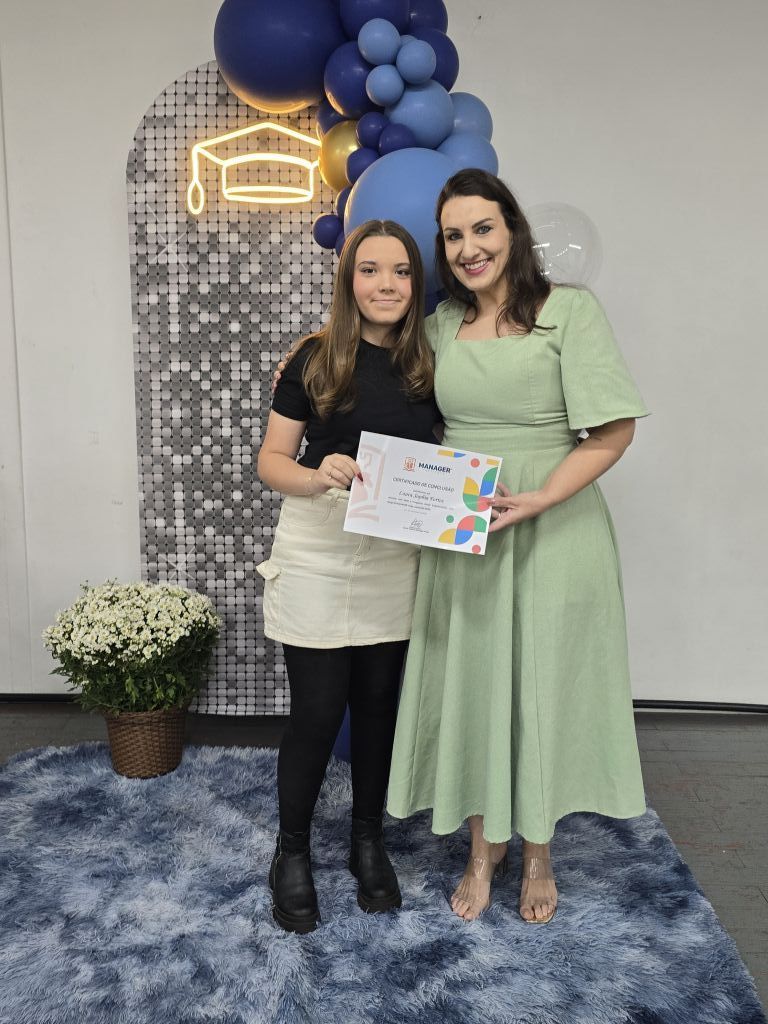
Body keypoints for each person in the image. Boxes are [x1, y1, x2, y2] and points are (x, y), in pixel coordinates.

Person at [385, 169, 649, 924]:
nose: (468, 248)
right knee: (476, 683)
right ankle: (483, 847)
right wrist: (307, 355)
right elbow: (372, 369)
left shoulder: (570, 310)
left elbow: (614, 430)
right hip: (466, 526)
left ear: (513, 231)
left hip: (555, 524)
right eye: (453, 235)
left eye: (483, 229)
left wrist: (539, 497)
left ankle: (537, 851)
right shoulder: (439, 325)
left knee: (541, 683)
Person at [256, 219, 440, 934]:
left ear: (416, 282)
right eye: (370, 270)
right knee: (317, 709)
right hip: (320, 545)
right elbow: (271, 460)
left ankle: (368, 841)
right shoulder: (314, 356)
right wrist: (314, 474)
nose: (385, 285)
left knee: (378, 706)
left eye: (400, 271)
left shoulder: (431, 362)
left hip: (394, 552)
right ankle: (292, 851)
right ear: (348, 279)